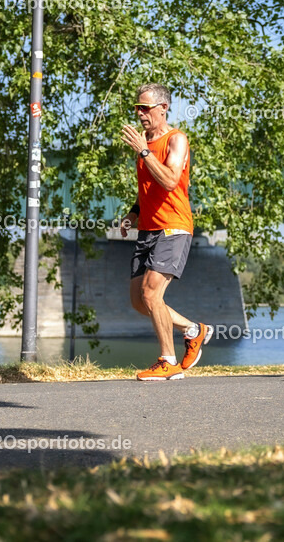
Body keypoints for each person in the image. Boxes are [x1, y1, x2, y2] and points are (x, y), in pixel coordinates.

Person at [119, 83, 212, 381]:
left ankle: (168, 361)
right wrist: (133, 214)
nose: (140, 113)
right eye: (137, 108)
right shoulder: (145, 143)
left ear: (163, 108)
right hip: (147, 229)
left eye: (145, 108)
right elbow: (148, 189)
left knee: (151, 293)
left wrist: (144, 152)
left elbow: (170, 181)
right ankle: (193, 330)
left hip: (173, 227)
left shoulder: (177, 140)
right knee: (138, 300)